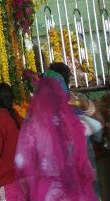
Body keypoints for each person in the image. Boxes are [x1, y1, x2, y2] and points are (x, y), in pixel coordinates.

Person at [15, 70, 98, 200]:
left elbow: (22, 163)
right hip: (75, 190)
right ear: (62, 92)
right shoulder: (75, 123)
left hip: (48, 192)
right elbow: (99, 123)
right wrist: (83, 104)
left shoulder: (33, 127)